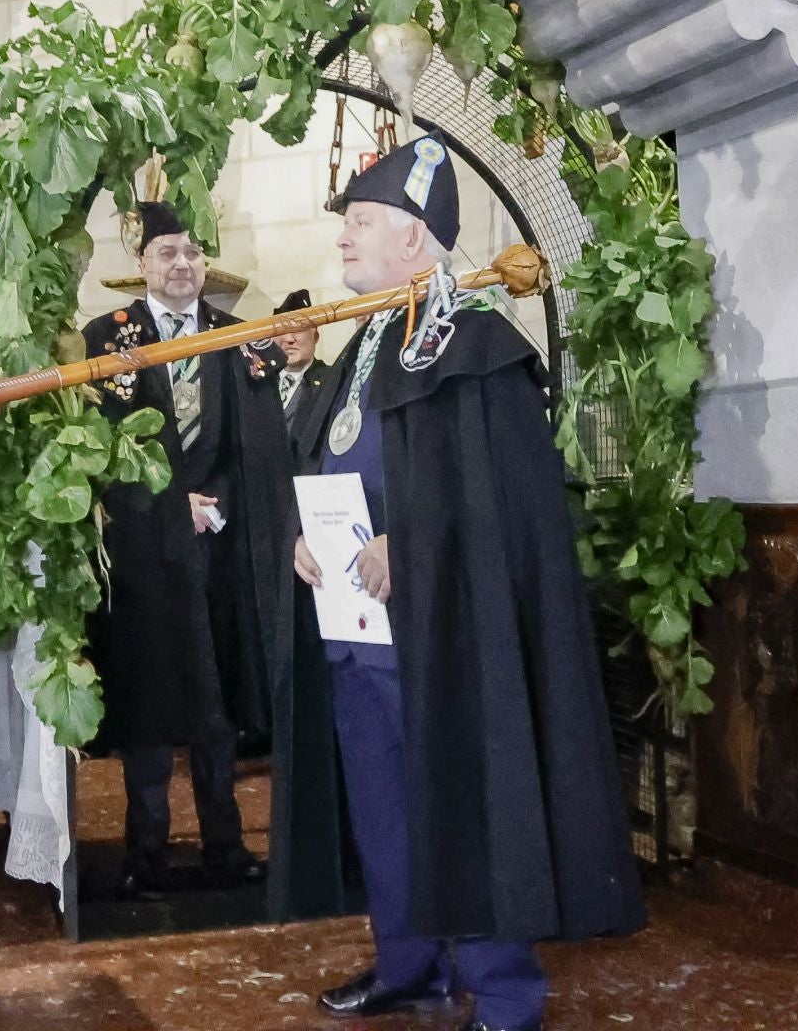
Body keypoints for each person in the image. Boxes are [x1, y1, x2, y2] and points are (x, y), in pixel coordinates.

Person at [272, 137, 644, 1031]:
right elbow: (325, 456)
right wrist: (301, 540)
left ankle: (503, 989)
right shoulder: (363, 343)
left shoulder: (478, 346)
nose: (346, 240)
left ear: (416, 239)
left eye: (363, 224)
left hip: (446, 629)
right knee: (383, 805)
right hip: (355, 629)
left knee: (465, 798)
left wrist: (415, 542)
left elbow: (510, 502)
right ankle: (412, 963)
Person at [81, 201, 292, 897]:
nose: (182, 265)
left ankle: (225, 846)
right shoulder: (107, 339)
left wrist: (219, 507)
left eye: (192, 253)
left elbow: (255, 449)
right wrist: (173, 508)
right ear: (140, 264)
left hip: (219, 553)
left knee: (215, 703)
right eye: (167, 253)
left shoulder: (238, 337)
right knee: (149, 704)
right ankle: (146, 851)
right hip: (147, 555)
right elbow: (107, 451)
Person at [272, 289, 331, 447]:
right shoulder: (259, 382)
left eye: (298, 329)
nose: (289, 339)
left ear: (315, 336)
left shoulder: (331, 381)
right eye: (281, 330)